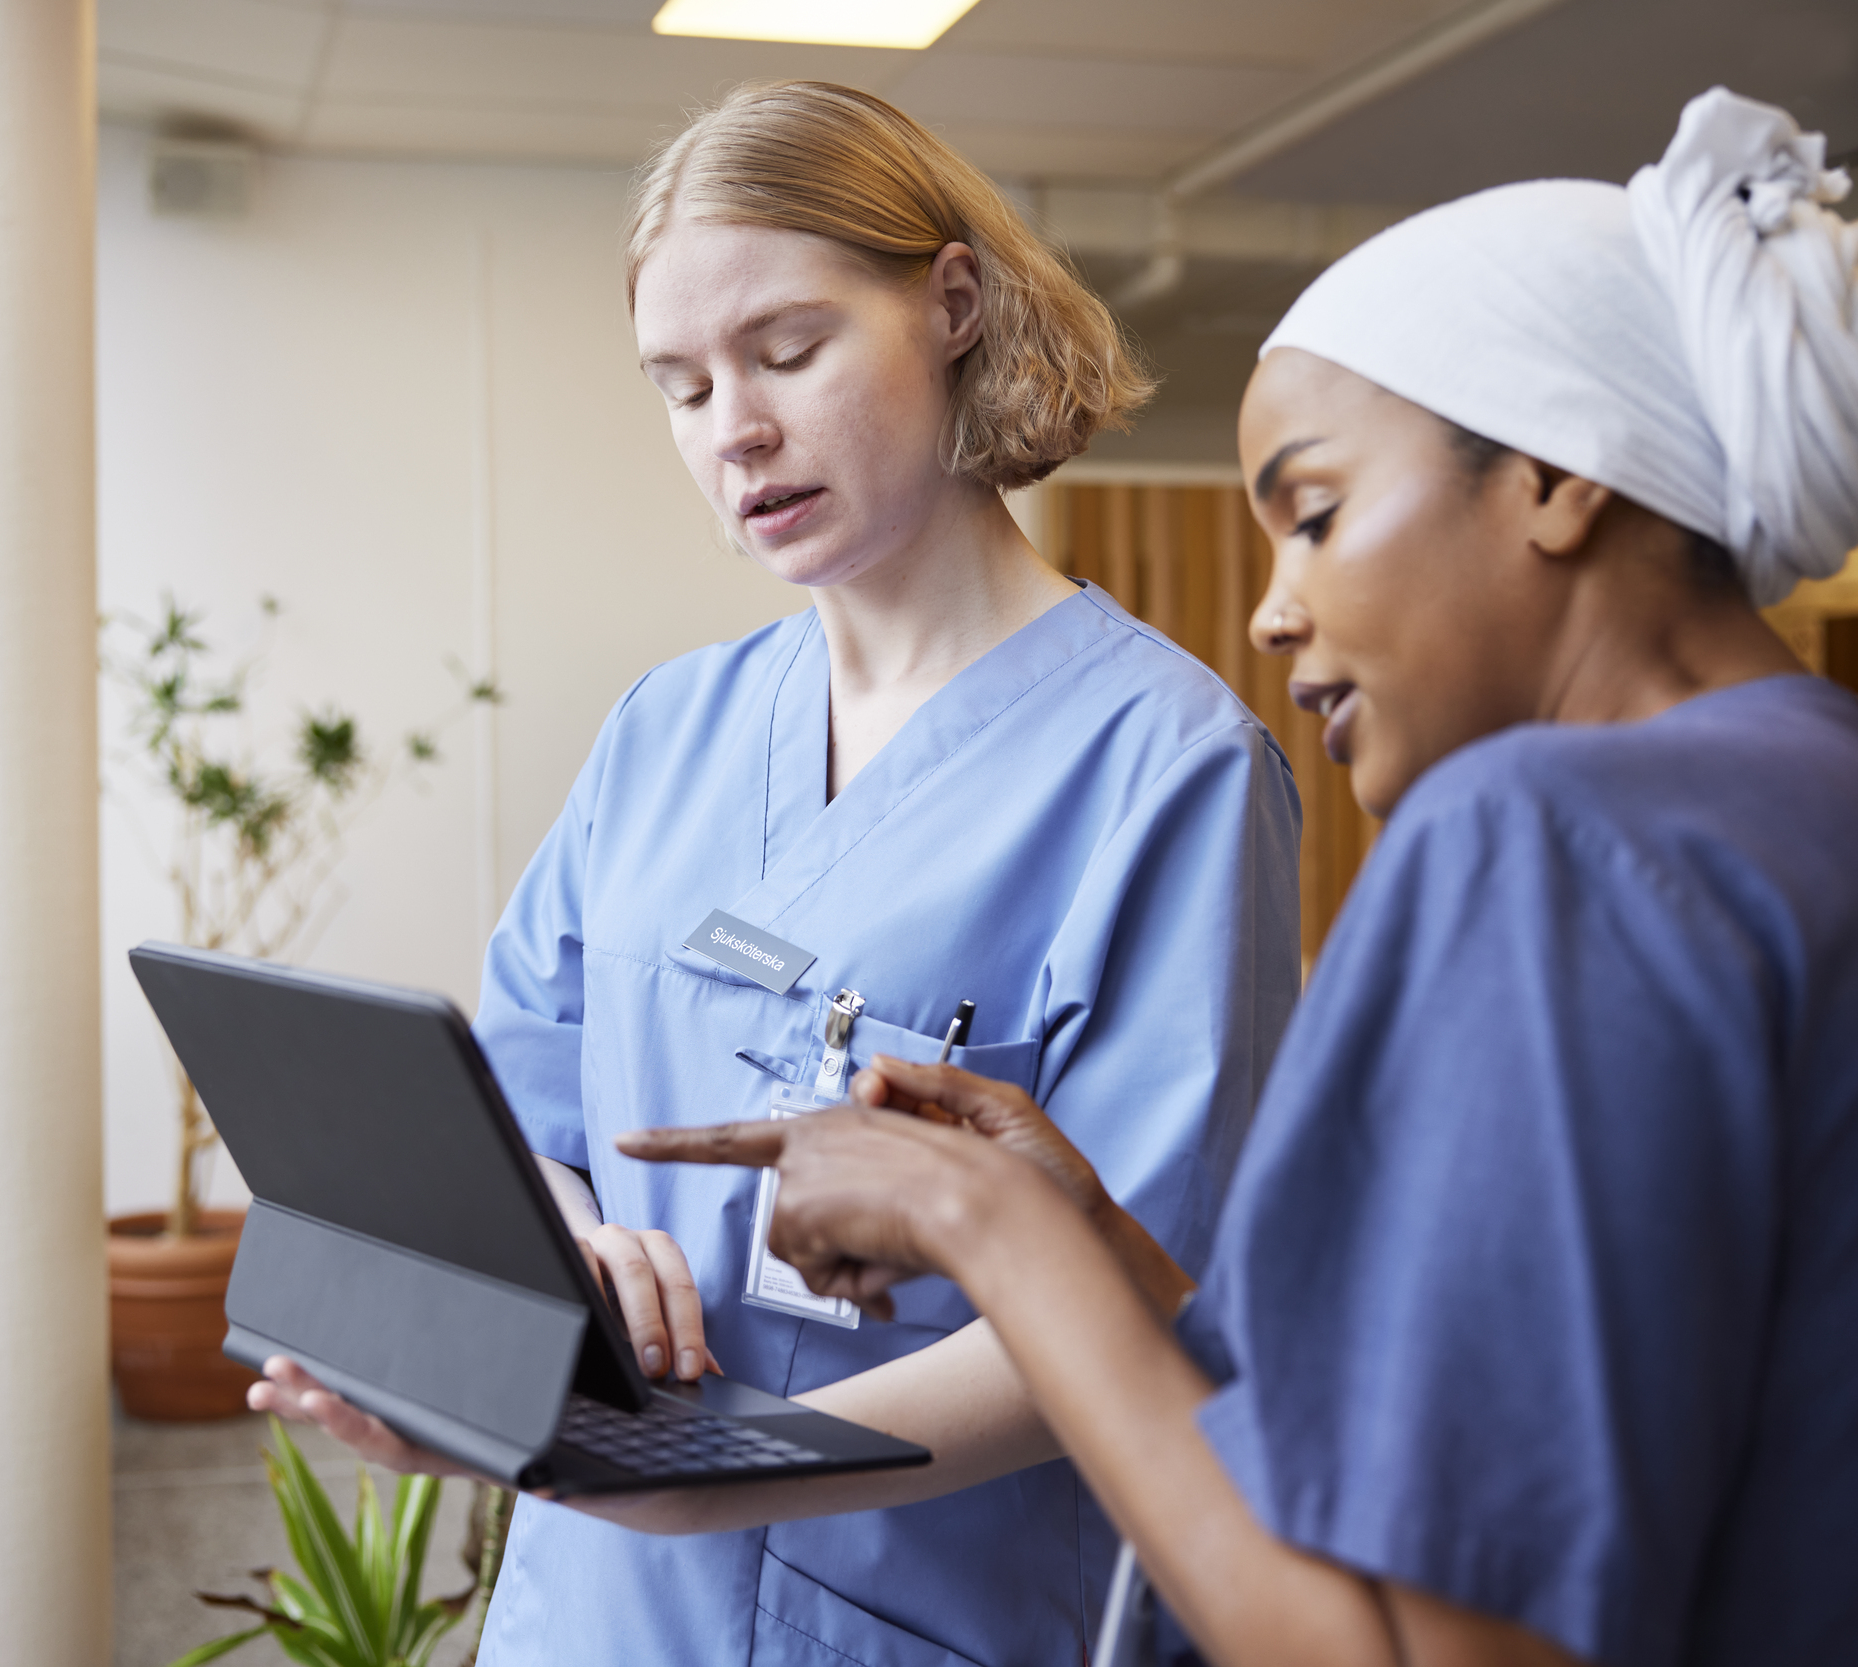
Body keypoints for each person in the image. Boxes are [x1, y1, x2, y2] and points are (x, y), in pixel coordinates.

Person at [628, 87, 1858, 1666]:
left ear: (1558, 479)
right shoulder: (1809, 782)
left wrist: (980, 1229)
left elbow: (1387, 1643)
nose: (1272, 619)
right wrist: (1080, 1232)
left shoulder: (1548, 832)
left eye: (1321, 514)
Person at [252, 82, 1303, 1666]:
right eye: (679, 387)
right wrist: (559, 1267)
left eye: (786, 351)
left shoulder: (1168, 770)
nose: (732, 428)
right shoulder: (665, 730)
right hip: (598, 1607)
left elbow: (1155, 1300)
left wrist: (722, 1478)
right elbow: (523, 1124)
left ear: (951, 304)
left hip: (916, 1610)